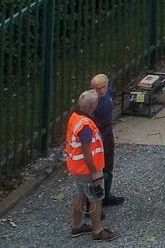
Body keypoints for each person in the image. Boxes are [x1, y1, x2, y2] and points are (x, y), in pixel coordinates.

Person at [65, 89, 114, 240]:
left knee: (80, 195)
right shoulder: (86, 127)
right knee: (95, 199)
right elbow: (86, 152)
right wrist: (95, 172)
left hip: (77, 167)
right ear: (92, 106)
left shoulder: (75, 117)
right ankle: (97, 231)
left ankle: (77, 226)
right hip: (87, 169)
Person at [90, 72, 123, 208]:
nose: (101, 90)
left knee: (108, 164)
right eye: (97, 88)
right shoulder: (92, 101)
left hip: (107, 132)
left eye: (103, 87)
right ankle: (93, 202)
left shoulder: (109, 93)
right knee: (97, 168)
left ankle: (106, 196)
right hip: (98, 134)